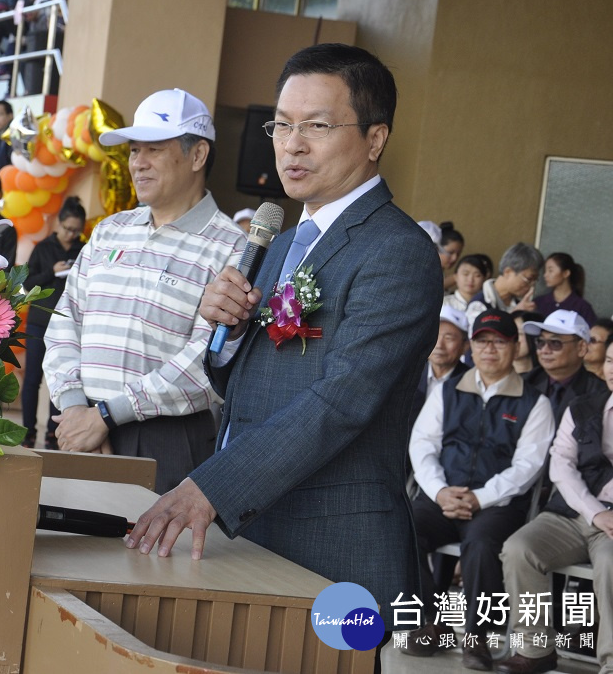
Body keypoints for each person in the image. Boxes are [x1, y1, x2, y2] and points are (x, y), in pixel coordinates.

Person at [126, 45, 441, 645]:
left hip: (337, 545)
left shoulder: (397, 252)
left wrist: (213, 485)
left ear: (375, 139)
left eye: (317, 126)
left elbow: (343, 399)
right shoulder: (284, 240)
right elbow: (242, 381)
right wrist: (229, 336)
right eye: (282, 125)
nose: (292, 144)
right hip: (257, 526)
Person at [44, 88, 244, 492]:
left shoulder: (232, 248)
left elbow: (209, 359)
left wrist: (106, 415)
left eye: (153, 149)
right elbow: (65, 322)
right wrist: (76, 408)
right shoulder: (108, 231)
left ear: (198, 155)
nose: (138, 163)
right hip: (77, 427)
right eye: (135, 151)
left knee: (151, 556)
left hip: (164, 441)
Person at [405, 310, 554, 670]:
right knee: (403, 528)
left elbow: (527, 467)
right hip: (442, 494)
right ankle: (433, 620)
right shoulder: (447, 391)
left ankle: (477, 638)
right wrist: (441, 492)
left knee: (483, 545)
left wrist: (480, 497)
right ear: (472, 347)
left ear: (515, 346)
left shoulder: (535, 402)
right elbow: (422, 445)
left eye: (500, 341)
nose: (490, 349)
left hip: (497, 504)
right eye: (483, 341)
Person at [498, 346, 613, 674]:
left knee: (610, 562)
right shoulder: (583, 407)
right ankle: (535, 650)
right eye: (609, 361)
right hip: (574, 512)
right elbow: (561, 465)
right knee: (519, 548)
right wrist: (594, 511)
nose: (612, 369)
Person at [22, 197, 86, 449]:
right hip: (40, 322)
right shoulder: (43, 248)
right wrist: (52, 271)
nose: (71, 235)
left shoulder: (82, 250)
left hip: (68, 326)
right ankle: (27, 432)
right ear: (58, 223)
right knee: (32, 379)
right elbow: (28, 282)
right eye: (68, 229)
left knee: (61, 380)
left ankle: (53, 431)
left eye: (76, 231)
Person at [522, 310, 606, 422]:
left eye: (555, 343)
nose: (545, 350)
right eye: (540, 342)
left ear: (581, 348)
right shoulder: (525, 383)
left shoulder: (599, 394)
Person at [468, 242, 544, 322]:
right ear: (508, 272)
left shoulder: (520, 304)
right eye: (529, 279)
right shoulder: (480, 303)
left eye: (535, 280)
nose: (531, 286)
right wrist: (515, 314)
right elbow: (481, 333)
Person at [418, 304, 472, 403]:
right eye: (435, 336)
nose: (439, 345)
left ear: (465, 346)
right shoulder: (411, 376)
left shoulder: (471, 383)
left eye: (449, 338)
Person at [534, 252, 598, 328]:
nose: (545, 275)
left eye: (550, 270)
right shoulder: (538, 302)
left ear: (566, 273)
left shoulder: (582, 307)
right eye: (545, 271)